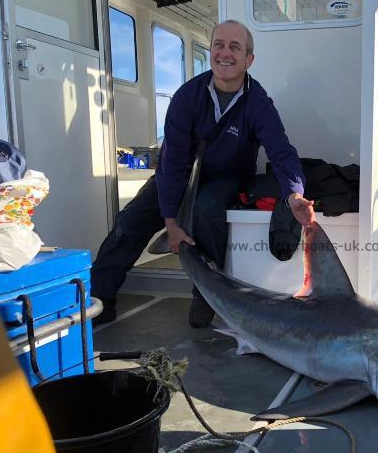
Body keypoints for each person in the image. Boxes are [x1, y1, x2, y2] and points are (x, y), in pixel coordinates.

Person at [91, 20, 315, 328]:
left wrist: (294, 195)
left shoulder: (259, 103)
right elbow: (171, 164)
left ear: (249, 59)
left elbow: (282, 152)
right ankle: (99, 301)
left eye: (235, 47)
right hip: (180, 172)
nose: (225, 53)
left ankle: (205, 295)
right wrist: (170, 221)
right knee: (129, 222)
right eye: (218, 45)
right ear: (211, 51)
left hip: (227, 177)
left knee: (208, 210)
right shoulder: (186, 96)